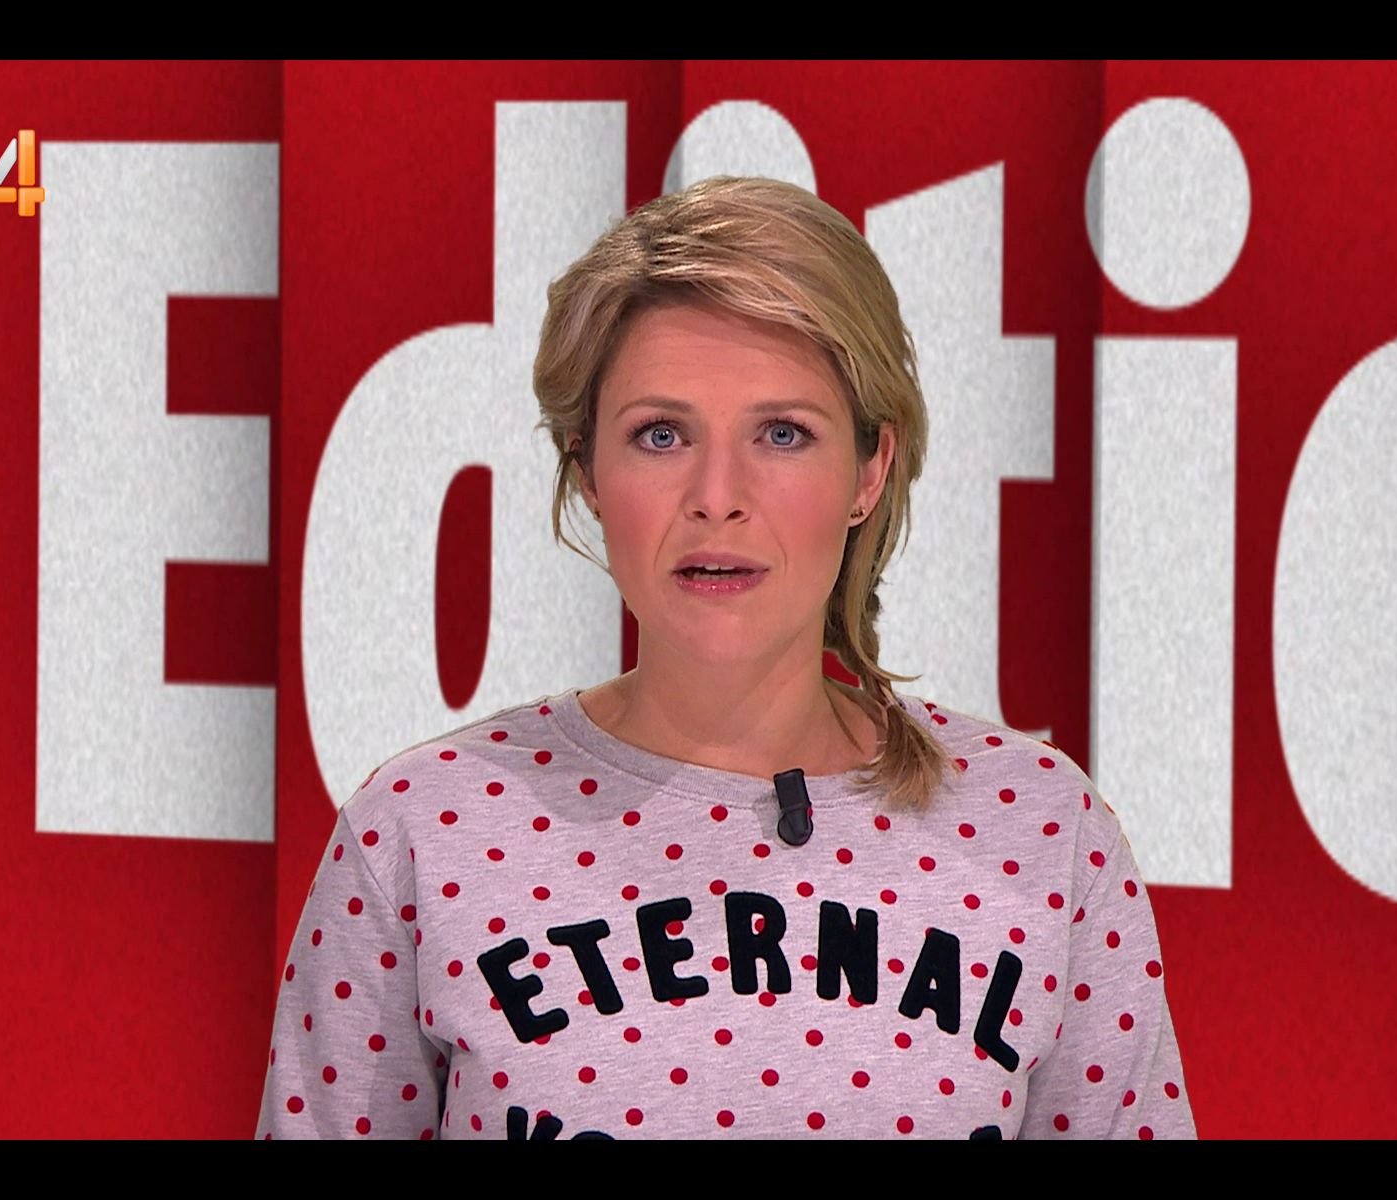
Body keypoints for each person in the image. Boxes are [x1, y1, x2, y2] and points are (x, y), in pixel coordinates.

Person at [255, 176, 1195, 1140]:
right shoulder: (422, 831)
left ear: (870, 469)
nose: (717, 495)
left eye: (782, 434)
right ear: (586, 469)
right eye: (660, 435)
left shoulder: (1044, 831)